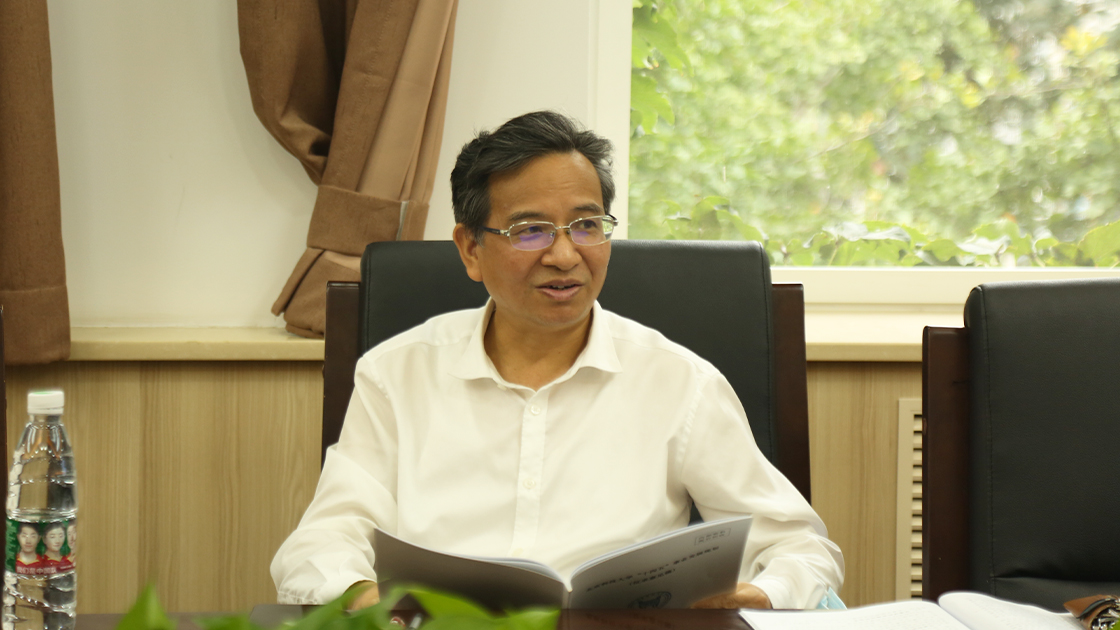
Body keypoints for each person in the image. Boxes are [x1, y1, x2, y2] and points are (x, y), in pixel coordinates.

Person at [271, 110, 844, 610]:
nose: (565, 255)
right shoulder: (396, 374)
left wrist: (758, 595)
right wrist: (363, 596)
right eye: (531, 231)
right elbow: (323, 540)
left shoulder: (678, 382)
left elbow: (798, 547)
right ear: (471, 249)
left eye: (587, 226)